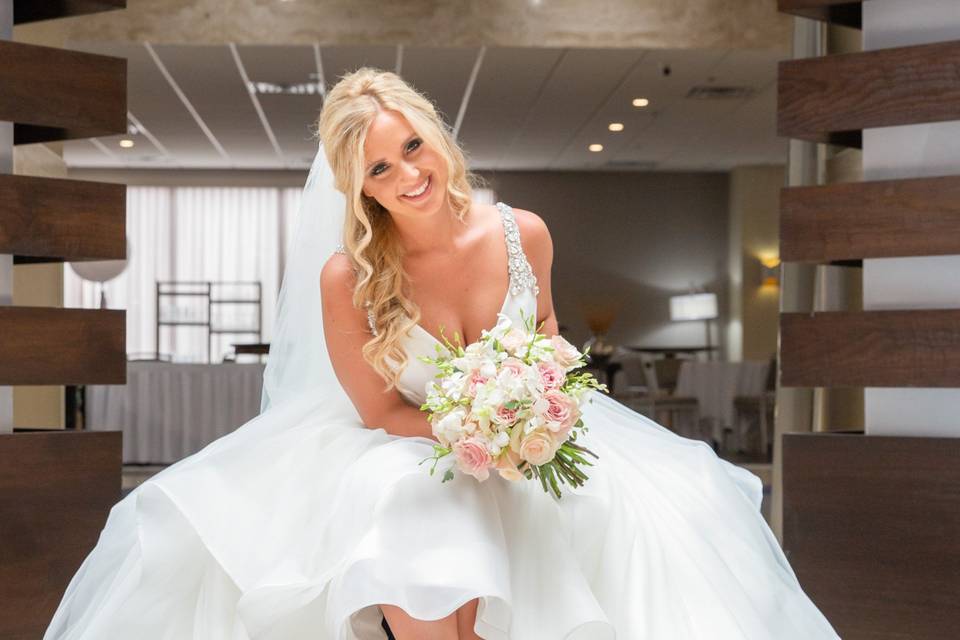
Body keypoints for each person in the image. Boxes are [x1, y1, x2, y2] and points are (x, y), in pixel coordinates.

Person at [43, 68, 841, 640]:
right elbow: (380, 410)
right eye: (380, 170)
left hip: (528, 443)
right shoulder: (347, 277)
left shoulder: (523, 232)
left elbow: (551, 336)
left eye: (413, 147)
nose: (408, 174)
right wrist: (475, 436)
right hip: (413, 444)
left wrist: (539, 406)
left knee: (644, 521)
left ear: (437, 137)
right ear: (360, 191)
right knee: (415, 508)